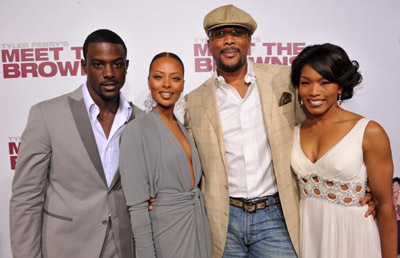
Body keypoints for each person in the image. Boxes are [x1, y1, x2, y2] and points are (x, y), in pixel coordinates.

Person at [184, 4, 376, 258]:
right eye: (219, 34)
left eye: (237, 33)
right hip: (222, 220)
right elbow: (187, 163)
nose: (228, 40)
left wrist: (361, 184)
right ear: (208, 43)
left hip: (276, 216)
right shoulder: (193, 102)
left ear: (249, 40)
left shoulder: (285, 80)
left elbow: (324, 125)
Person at [10, 29, 140, 258]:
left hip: (123, 247)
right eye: (98, 64)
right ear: (83, 66)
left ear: (126, 66)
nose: (109, 73)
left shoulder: (140, 119)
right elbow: (26, 198)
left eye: (117, 64)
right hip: (67, 247)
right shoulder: (46, 115)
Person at [290, 43, 397, 258]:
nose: (314, 92)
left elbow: (385, 206)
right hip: (309, 236)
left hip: (354, 239)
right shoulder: (294, 131)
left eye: (324, 82)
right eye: (305, 83)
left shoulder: (368, 131)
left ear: (340, 87)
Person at [119, 52, 212, 258]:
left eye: (175, 78)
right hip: (166, 235)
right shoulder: (136, 131)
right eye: (159, 77)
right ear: (149, 81)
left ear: (182, 84)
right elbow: (137, 206)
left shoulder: (183, 127)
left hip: (197, 226)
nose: (167, 85)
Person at [393, 177, 400, 254]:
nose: (395, 187)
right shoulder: (388, 197)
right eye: (393, 185)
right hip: (390, 220)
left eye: (397, 185)